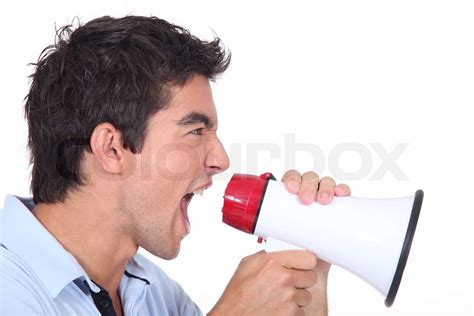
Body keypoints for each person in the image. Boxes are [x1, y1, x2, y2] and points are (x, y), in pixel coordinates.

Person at [0, 15, 351, 316]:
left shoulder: (153, 293)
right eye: (195, 131)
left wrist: (307, 295)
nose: (220, 160)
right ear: (112, 148)